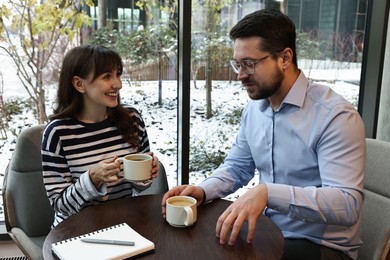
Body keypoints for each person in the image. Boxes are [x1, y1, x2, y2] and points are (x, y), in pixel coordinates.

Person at [162, 9, 365, 260]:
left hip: (321, 246)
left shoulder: (334, 116)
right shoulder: (255, 109)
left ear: (285, 58)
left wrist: (268, 192)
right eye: (237, 64)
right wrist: (203, 191)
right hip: (266, 232)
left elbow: (347, 205)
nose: (240, 75)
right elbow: (237, 167)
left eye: (249, 64)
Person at [42, 45, 159, 228]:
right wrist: (92, 179)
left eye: (118, 74)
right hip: (76, 229)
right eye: (107, 77)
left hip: (122, 224)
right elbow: (60, 205)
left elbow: (139, 187)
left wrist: (146, 175)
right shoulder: (57, 133)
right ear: (79, 84)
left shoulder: (132, 119)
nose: (118, 84)